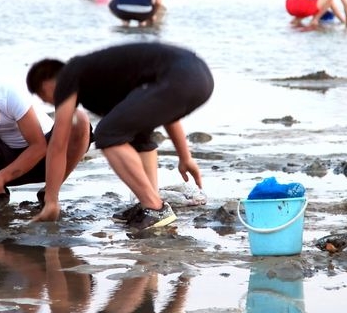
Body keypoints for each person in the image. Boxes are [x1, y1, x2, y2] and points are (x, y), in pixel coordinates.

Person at [26, 42, 214, 232]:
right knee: (138, 136)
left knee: (107, 134)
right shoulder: (107, 86)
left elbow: (59, 143)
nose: (51, 103)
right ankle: (147, 205)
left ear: (46, 84)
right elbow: (166, 110)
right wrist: (185, 157)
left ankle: (155, 207)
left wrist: (51, 200)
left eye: (44, 97)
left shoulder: (68, 75)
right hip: (200, 77)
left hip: (181, 76)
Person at [0, 66, 91, 208]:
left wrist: (2, 176)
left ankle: (50, 195)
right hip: (2, 166)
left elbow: (39, 147)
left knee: (78, 119)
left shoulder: (8, 96)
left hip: (49, 159)